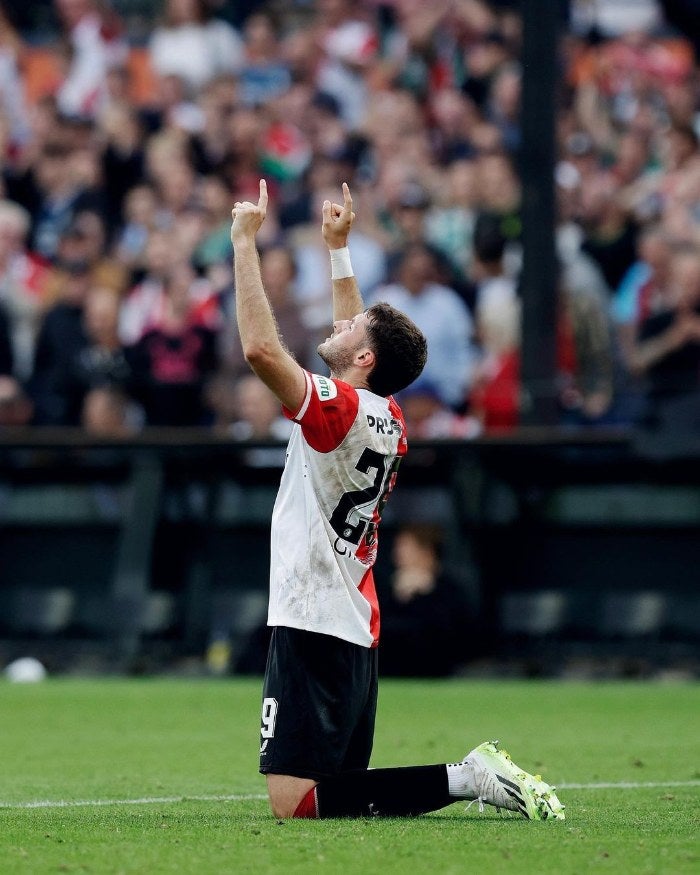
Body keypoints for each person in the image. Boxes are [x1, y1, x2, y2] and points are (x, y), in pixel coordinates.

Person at [231, 178, 565, 821]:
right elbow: (355, 336)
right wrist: (339, 252)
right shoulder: (382, 412)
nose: (340, 321)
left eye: (352, 326)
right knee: (339, 800)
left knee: (295, 804)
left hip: (315, 616)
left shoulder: (340, 409)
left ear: (362, 356)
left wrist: (244, 243)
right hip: (353, 617)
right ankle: (463, 779)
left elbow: (258, 349)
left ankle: (466, 778)